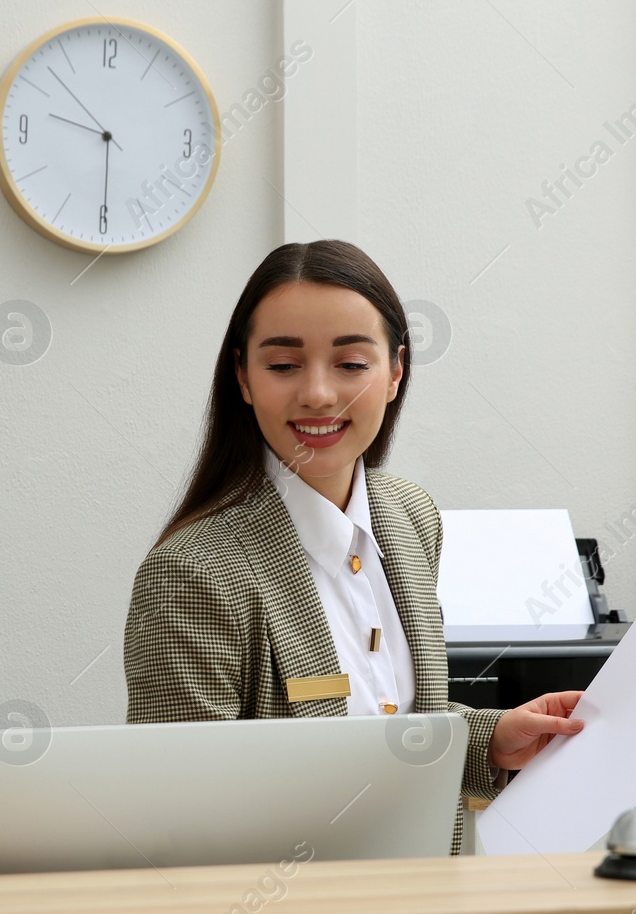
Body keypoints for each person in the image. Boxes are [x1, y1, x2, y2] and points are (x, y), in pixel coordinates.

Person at [123, 239, 583, 856]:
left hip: (428, 912)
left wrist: (489, 738)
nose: (317, 393)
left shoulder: (412, 518)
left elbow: (400, 725)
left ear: (395, 372)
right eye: (283, 365)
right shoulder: (191, 572)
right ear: (243, 377)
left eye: (351, 364)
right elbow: (175, 811)